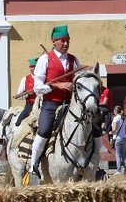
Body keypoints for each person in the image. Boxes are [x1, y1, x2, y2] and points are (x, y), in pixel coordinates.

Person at [29, 25, 102, 178]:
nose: (66, 44)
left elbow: (80, 79)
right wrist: (57, 85)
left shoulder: (74, 60)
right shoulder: (45, 59)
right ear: (54, 41)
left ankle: (95, 163)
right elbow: (37, 86)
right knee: (43, 131)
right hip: (51, 103)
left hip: (71, 104)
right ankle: (34, 166)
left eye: (68, 41)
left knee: (95, 128)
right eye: (63, 41)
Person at [15, 57, 39, 126]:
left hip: (42, 105)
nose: (33, 68)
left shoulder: (43, 78)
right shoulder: (25, 79)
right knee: (18, 123)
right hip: (29, 106)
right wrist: (27, 94)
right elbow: (19, 96)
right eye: (31, 67)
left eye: (35, 66)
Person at [110, 105, 126, 174]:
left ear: (115, 111)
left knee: (118, 155)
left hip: (117, 138)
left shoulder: (116, 118)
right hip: (124, 138)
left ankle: (118, 170)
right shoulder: (125, 118)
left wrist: (110, 132)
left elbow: (114, 129)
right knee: (123, 154)